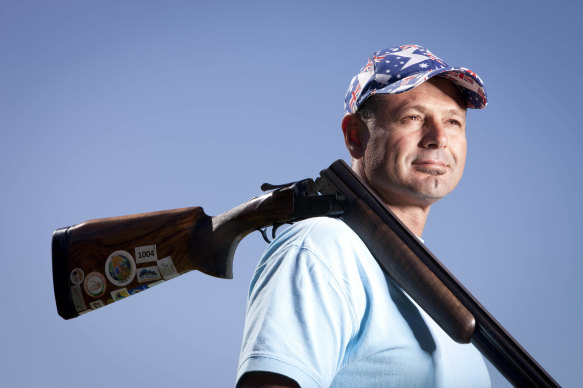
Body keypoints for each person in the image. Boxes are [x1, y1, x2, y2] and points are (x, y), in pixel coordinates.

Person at [236, 44, 491, 388]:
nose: (438, 139)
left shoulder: (438, 285)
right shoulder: (323, 246)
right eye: (412, 118)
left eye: (453, 121)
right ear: (355, 137)